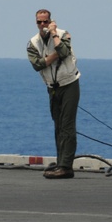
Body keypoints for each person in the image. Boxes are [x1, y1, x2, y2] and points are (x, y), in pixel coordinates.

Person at [27, 9, 80, 179]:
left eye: (45, 21)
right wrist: (56, 55)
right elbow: (37, 64)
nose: (42, 25)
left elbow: (64, 53)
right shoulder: (33, 42)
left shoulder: (63, 34)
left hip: (69, 83)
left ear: (51, 21)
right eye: (39, 22)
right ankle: (60, 162)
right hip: (53, 87)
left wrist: (54, 34)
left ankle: (66, 166)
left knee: (67, 126)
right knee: (58, 126)